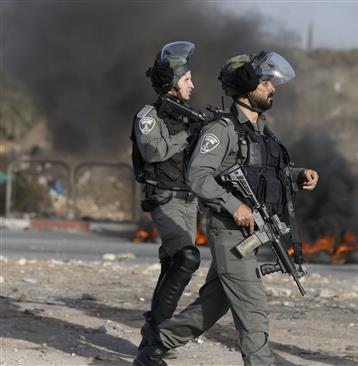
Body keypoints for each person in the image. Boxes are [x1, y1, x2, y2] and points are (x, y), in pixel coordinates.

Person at [133, 51, 319, 366]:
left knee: (214, 303)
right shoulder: (222, 129)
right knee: (253, 307)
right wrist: (235, 206)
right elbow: (198, 175)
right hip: (229, 230)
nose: (272, 89)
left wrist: (298, 175)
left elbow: (265, 172)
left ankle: (157, 344)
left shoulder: (260, 131)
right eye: (265, 84)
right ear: (247, 87)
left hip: (253, 232)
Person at [132, 41, 201, 364]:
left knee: (173, 264)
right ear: (173, 82)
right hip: (164, 200)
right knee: (187, 258)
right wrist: (189, 135)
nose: (193, 84)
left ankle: (153, 335)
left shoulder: (190, 117)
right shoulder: (149, 116)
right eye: (187, 79)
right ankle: (152, 342)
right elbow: (153, 151)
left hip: (190, 202)